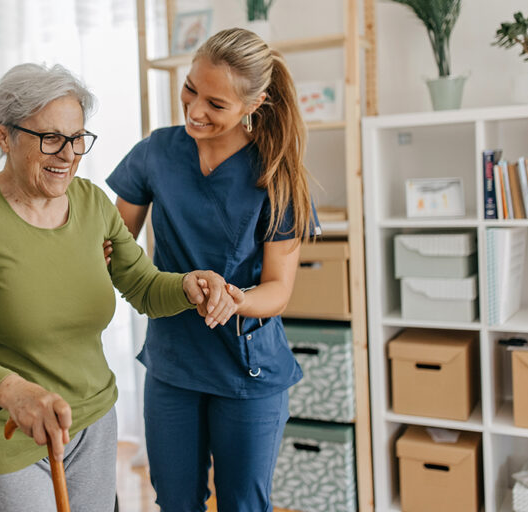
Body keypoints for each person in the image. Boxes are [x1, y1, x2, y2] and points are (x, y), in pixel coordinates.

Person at [0, 62, 239, 512]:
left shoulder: (91, 202)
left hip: (92, 421)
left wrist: (189, 285)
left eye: (77, 139)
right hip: (7, 430)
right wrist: (14, 392)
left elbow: (143, 286)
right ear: (2, 135)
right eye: (50, 138)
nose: (68, 154)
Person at [105, 28, 319, 512]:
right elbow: (114, 246)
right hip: (173, 364)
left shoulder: (276, 173)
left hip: (248, 370)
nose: (195, 110)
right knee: (176, 503)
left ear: (254, 103)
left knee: (243, 505)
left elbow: (277, 290)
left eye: (216, 104)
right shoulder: (156, 153)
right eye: (190, 89)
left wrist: (236, 298)